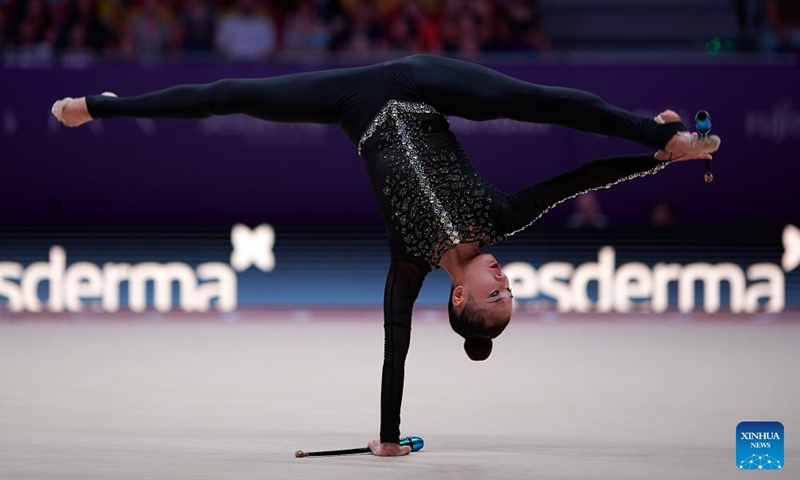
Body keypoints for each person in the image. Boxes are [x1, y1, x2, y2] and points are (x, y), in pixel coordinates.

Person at [50, 54, 720, 457]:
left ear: (459, 297)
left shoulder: (408, 265)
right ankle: (662, 134)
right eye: (509, 291)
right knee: (529, 100)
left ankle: (103, 109)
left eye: (496, 294)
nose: (504, 279)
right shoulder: (501, 219)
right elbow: (581, 179)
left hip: (357, 106)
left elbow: (394, 351)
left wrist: (389, 437)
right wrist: (656, 159)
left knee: (234, 95)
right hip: (422, 85)